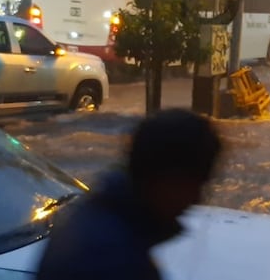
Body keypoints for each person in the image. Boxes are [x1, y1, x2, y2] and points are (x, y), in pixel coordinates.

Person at [36, 109, 223, 280]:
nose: (197, 199)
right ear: (167, 179)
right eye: (195, 184)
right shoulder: (113, 261)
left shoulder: (98, 218)